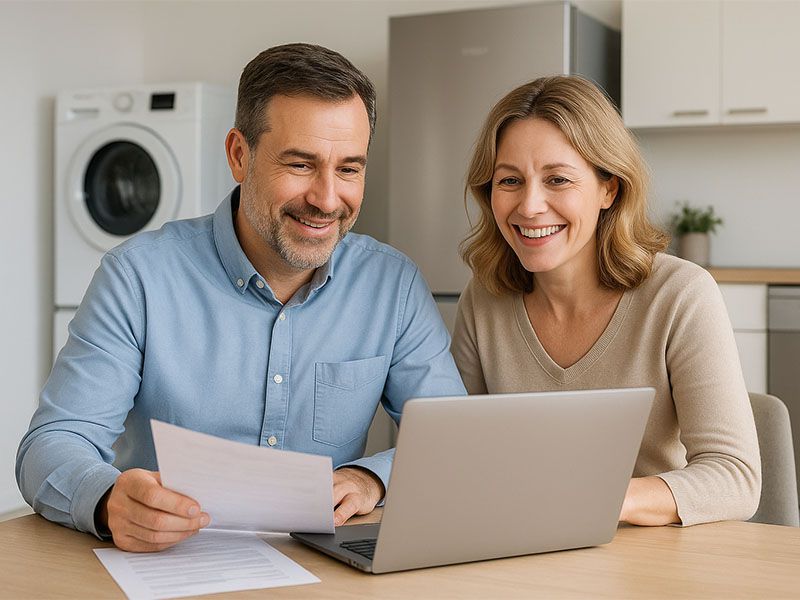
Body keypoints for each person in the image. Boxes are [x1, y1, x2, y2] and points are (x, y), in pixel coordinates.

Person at [17, 43, 465, 552]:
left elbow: (453, 442)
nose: (326, 198)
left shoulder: (393, 286)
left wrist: (372, 479)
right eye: (300, 164)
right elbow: (50, 446)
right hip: (168, 568)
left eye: (348, 169)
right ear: (238, 155)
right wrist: (106, 500)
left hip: (324, 576)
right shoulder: (137, 276)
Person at [451, 75, 761, 527]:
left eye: (557, 179)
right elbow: (457, 456)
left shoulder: (680, 295)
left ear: (608, 189)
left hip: (652, 564)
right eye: (510, 180)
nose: (530, 205)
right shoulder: (483, 300)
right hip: (523, 550)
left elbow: (735, 479)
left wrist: (598, 499)